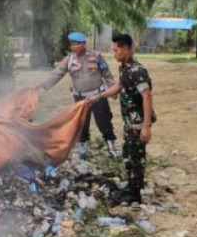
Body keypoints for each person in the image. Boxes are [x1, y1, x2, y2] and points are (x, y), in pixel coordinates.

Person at [93, 34, 154, 204]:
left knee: (136, 157)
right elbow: (118, 86)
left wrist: (146, 126)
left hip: (137, 123)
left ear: (126, 49)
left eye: (116, 50)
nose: (114, 54)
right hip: (129, 122)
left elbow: (147, 96)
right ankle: (131, 186)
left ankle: (135, 193)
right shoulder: (125, 68)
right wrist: (98, 97)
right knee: (128, 154)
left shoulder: (137, 70)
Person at [42, 32, 117, 156]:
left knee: (104, 121)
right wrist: (45, 85)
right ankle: (83, 147)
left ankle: (111, 147)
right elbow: (58, 73)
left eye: (77, 44)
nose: (75, 47)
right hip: (80, 97)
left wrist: (113, 88)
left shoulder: (96, 56)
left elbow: (106, 73)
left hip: (98, 95)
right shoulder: (69, 59)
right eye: (73, 44)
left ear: (84, 44)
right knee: (82, 122)